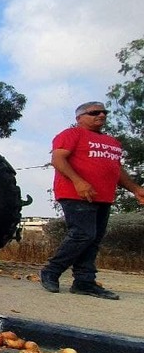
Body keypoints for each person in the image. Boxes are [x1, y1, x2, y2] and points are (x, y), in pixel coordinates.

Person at [39, 101, 144, 300]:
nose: (101, 115)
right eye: (94, 112)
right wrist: (79, 181)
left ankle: (84, 282)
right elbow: (58, 159)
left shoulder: (112, 142)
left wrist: (136, 189)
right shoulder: (71, 134)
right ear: (79, 118)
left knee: (94, 239)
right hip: (75, 193)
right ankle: (51, 271)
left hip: (103, 196)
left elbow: (116, 170)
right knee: (83, 234)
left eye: (104, 112)